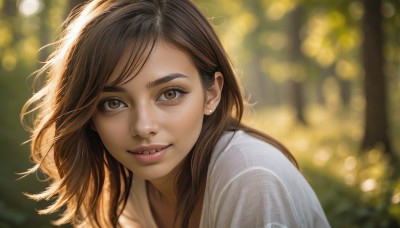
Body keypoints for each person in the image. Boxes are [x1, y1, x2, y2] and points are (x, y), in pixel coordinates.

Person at [21, 0, 330, 227]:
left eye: (170, 94)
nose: (143, 127)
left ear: (212, 93)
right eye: (113, 103)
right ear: (89, 114)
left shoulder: (250, 179)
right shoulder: (128, 185)